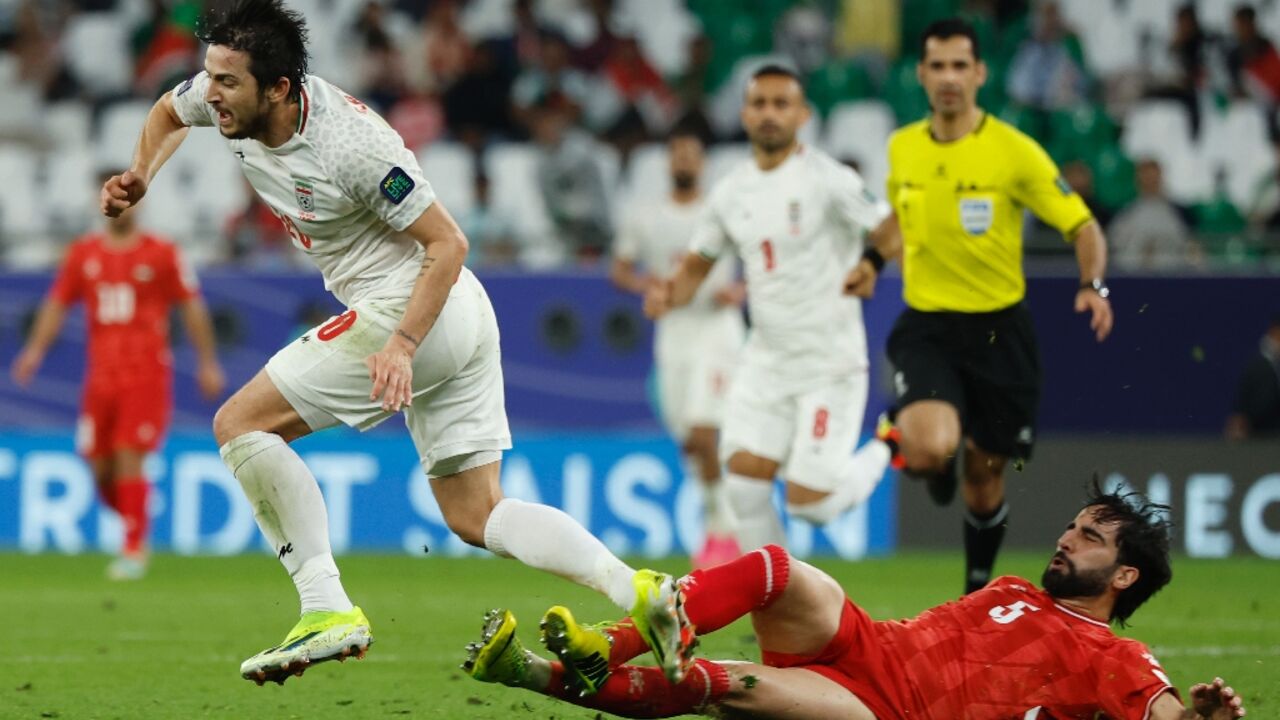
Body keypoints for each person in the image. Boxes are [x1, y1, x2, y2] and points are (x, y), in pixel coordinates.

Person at [100, 0, 689, 687]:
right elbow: (168, 115)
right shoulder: (223, 97)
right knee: (477, 514)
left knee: (239, 424)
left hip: (418, 306)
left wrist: (402, 344)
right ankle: (639, 591)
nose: (212, 93)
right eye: (211, 78)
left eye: (228, 83)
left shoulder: (350, 144)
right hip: (458, 312)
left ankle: (327, 608)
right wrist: (143, 172)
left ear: (281, 88)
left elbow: (449, 242)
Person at [465, 480, 1248, 720]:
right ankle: (611, 643)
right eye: (1073, 525)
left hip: (882, 711)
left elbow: (1163, 714)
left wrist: (1203, 717)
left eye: (1090, 540)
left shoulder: (1117, 656)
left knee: (724, 683)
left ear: (1124, 578)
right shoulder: (1014, 588)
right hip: (871, 644)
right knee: (776, 568)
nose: (1067, 540)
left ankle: (536, 674)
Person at [849, 17, 1115, 595]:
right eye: (937, 66)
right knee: (929, 444)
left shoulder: (1013, 153)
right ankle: (931, 458)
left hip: (1000, 334)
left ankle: (975, 587)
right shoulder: (903, 147)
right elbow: (901, 216)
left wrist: (1093, 287)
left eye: (959, 66)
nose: (948, 78)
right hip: (928, 327)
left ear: (979, 73)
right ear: (920, 75)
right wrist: (871, 260)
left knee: (984, 478)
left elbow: (1083, 226)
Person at [644, 64, 900, 553]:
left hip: (829, 361)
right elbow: (698, 264)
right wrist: (668, 293)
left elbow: (889, 226)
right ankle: (776, 610)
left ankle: (889, 444)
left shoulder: (828, 179)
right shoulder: (730, 192)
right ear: (744, 114)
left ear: (802, 115)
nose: (769, 114)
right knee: (742, 481)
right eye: (760, 104)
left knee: (811, 504)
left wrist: (870, 263)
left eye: (781, 104)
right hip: (765, 360)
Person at [10, 178, 225, 580]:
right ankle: (135, 513)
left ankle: (133, 547)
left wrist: (207, 361)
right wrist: (34, 352)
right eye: (111, 198)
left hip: (145, 374)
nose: (119, 206)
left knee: (129, 452)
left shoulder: (162, 253)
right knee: (99, 467)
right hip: (100, 378)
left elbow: (191, 308)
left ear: (139, 204)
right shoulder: (83, 254)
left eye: (127, 199)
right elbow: (56, 305)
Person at [610, 129, 746, 569]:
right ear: (669, 163)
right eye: (678, 154)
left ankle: (724, 533)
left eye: (692, 153)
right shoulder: (647, 216)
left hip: (716, 327)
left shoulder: (721, 210)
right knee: (690, 438)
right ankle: (721, 522)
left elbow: (763, 258)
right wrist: (646, 285)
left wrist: (743, 289)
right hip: (673, 328)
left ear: (702, 163)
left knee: (706, 431)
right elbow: (621, 268)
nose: (685, 161)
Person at [1109, 158, 1202, 271]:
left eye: (1153, 178)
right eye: (1146, 178)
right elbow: (1115, 249)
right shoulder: (1124, 215)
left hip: (1172, 276)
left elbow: (1193, 249)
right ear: (1138, 180)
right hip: (1133, 277)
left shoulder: (1180, 213)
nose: (1150, 182)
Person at [1224, 313, 1280, 440]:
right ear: (1275, 332)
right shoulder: (1258, 369)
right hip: (1260, 441)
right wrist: (1240, 423)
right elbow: (1247, 411)